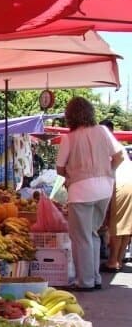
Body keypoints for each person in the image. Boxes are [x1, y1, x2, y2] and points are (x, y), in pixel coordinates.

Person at [55, 97, 124, 290]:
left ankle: (84, 282)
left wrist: (72, 173)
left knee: (81, 237)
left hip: (81, 191)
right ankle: (95, 278)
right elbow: (118, 156)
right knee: (93, 234)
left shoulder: (69, 138)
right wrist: (108, 172)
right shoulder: (103, 131)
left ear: (70, 116)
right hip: (105, 189)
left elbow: (60, 168)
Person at [99, 119, 132, 272]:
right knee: (126, 226)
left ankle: (113, 261)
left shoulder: (107, 144)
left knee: (116, 226)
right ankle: (117, 260)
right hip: (129, 181)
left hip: (121, 183)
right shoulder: (117, 144)